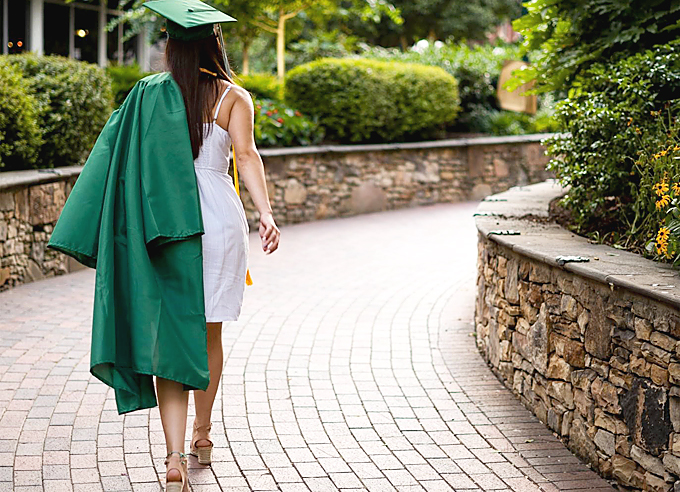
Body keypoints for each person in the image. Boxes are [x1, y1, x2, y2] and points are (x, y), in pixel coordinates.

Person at [47, 1, 280, 490]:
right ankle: (204, 433)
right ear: (215, 43)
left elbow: (115, 159)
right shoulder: (234, 97)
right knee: (210, 332)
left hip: (162, 222)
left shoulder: (148, 95)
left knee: (168, 336)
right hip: (217, 220)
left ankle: (173, 457)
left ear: (170, 45)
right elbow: (247, 155)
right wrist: (266, 214)